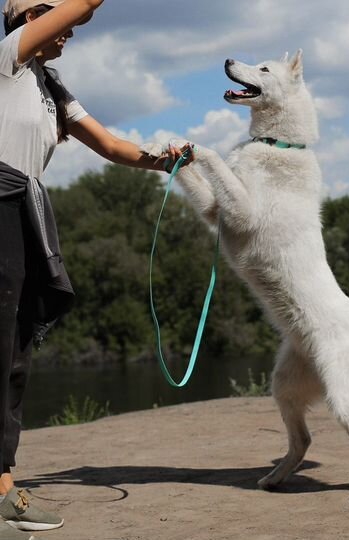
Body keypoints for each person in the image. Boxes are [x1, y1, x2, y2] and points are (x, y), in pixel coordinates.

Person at [0, 1, 191, 538]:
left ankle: (3, 485)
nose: (68, 30)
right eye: (49, 14)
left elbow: (110, 146)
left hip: (23, 215)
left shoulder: (51, 91)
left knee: (13, 358)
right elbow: (82, 8)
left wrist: (162, 158)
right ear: (27, 19)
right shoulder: (6, 60)